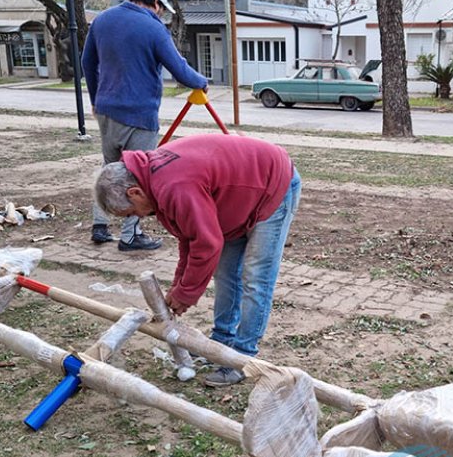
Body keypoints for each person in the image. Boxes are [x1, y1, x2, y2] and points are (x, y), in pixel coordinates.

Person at [94, 134, 301, 387]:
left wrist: (186, 294)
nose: (137, 216)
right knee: (226, 274)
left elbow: (206, 244)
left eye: (131, 212)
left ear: (134, 192)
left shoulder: (174, 186)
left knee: (256, 278)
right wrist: (179, 287)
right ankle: (222, 341)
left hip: (273, 186)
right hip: (239, 198)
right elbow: (189, 237)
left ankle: (243, 359)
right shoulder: (154, 182)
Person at [81, 0, 208, 251]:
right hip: (139, 114)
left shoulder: (102, 20)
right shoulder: (153, 27)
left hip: (106, 110)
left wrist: (95, 99)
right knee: (138, 175)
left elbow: (87, 62)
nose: (160, 14)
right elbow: (179, 69)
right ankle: (131, 236)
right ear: (156, 3)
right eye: (161, 10)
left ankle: (100, 225)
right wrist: (201, 81)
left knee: (110, 170)